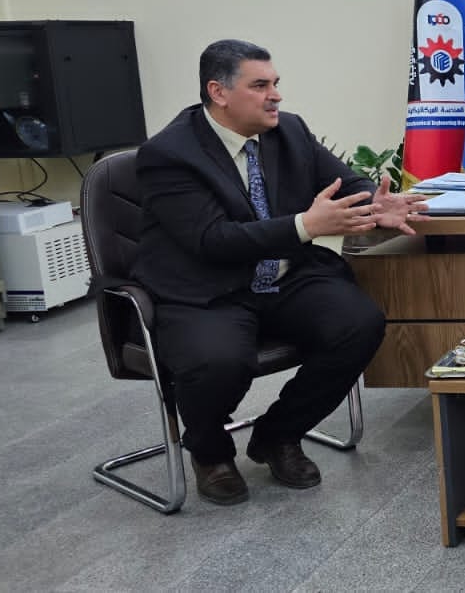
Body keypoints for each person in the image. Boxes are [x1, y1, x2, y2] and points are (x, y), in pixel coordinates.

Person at [134, 39, 428, 504]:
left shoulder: (288, 130)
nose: (275, 95)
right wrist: (305, 225)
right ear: (218, 92)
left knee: (359, 323)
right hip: (209, 289)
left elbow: (345, 183)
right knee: (218, 361)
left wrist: (375, 203)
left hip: (285, 277)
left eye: (275, 83)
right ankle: (210, 454)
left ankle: (278, 435)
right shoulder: (169, 154)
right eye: (260, 86)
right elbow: (212, 240)